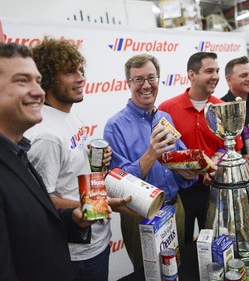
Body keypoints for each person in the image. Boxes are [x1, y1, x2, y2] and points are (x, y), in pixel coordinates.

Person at [0, 42, 102, 281]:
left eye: (37, 81)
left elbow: (32, 216)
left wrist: (76, 219)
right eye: (21, 81)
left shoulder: (16, 150)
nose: (38, 92)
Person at [25, 38, 133, 281]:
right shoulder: (46, 135)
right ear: (49, 78)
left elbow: (72, 169)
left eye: (80, 70)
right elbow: (43, 201)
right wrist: (103, 205)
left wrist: (97, 160)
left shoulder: (68, 116)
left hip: (96, 240)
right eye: (70, 72)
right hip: (77, 255)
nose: (80, 77)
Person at [103, 53, 198, 269]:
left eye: (151, 78)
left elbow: (178, 161)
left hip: (176, 208)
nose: (146, 85)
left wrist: (189, 170)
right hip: (141, 217)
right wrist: (151, 154)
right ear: (129, 83)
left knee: (179, 269)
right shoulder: (114, 126)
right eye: (138, 79)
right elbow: (118, 186)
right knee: (149, 275)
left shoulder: (165, 118)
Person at [158, 52, 243, 244]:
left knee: (216, 243)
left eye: (217, 71)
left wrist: (212, 165)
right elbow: (162, 152)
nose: (215, 76)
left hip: (214, 189)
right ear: (191, 75)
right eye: (209, 71)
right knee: (182, 244)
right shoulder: (167, 108)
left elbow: (232, 148)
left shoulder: (223, 108)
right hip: (180, 192)